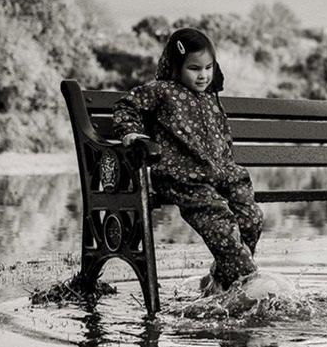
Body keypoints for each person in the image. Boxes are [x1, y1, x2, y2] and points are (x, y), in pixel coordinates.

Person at [113, 27, 263, 294]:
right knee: (221, 221)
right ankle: (248, 283)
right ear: (176, 66)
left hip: (220, 174)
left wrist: (226, 167)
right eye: (194, 68)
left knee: (251, 217)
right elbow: (127, 105)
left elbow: (224, 141)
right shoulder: (162, 91)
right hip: (181, 177)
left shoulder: (210, 100)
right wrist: (132, 133)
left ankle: (222, 279)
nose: (203, 75)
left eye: (208, 67)